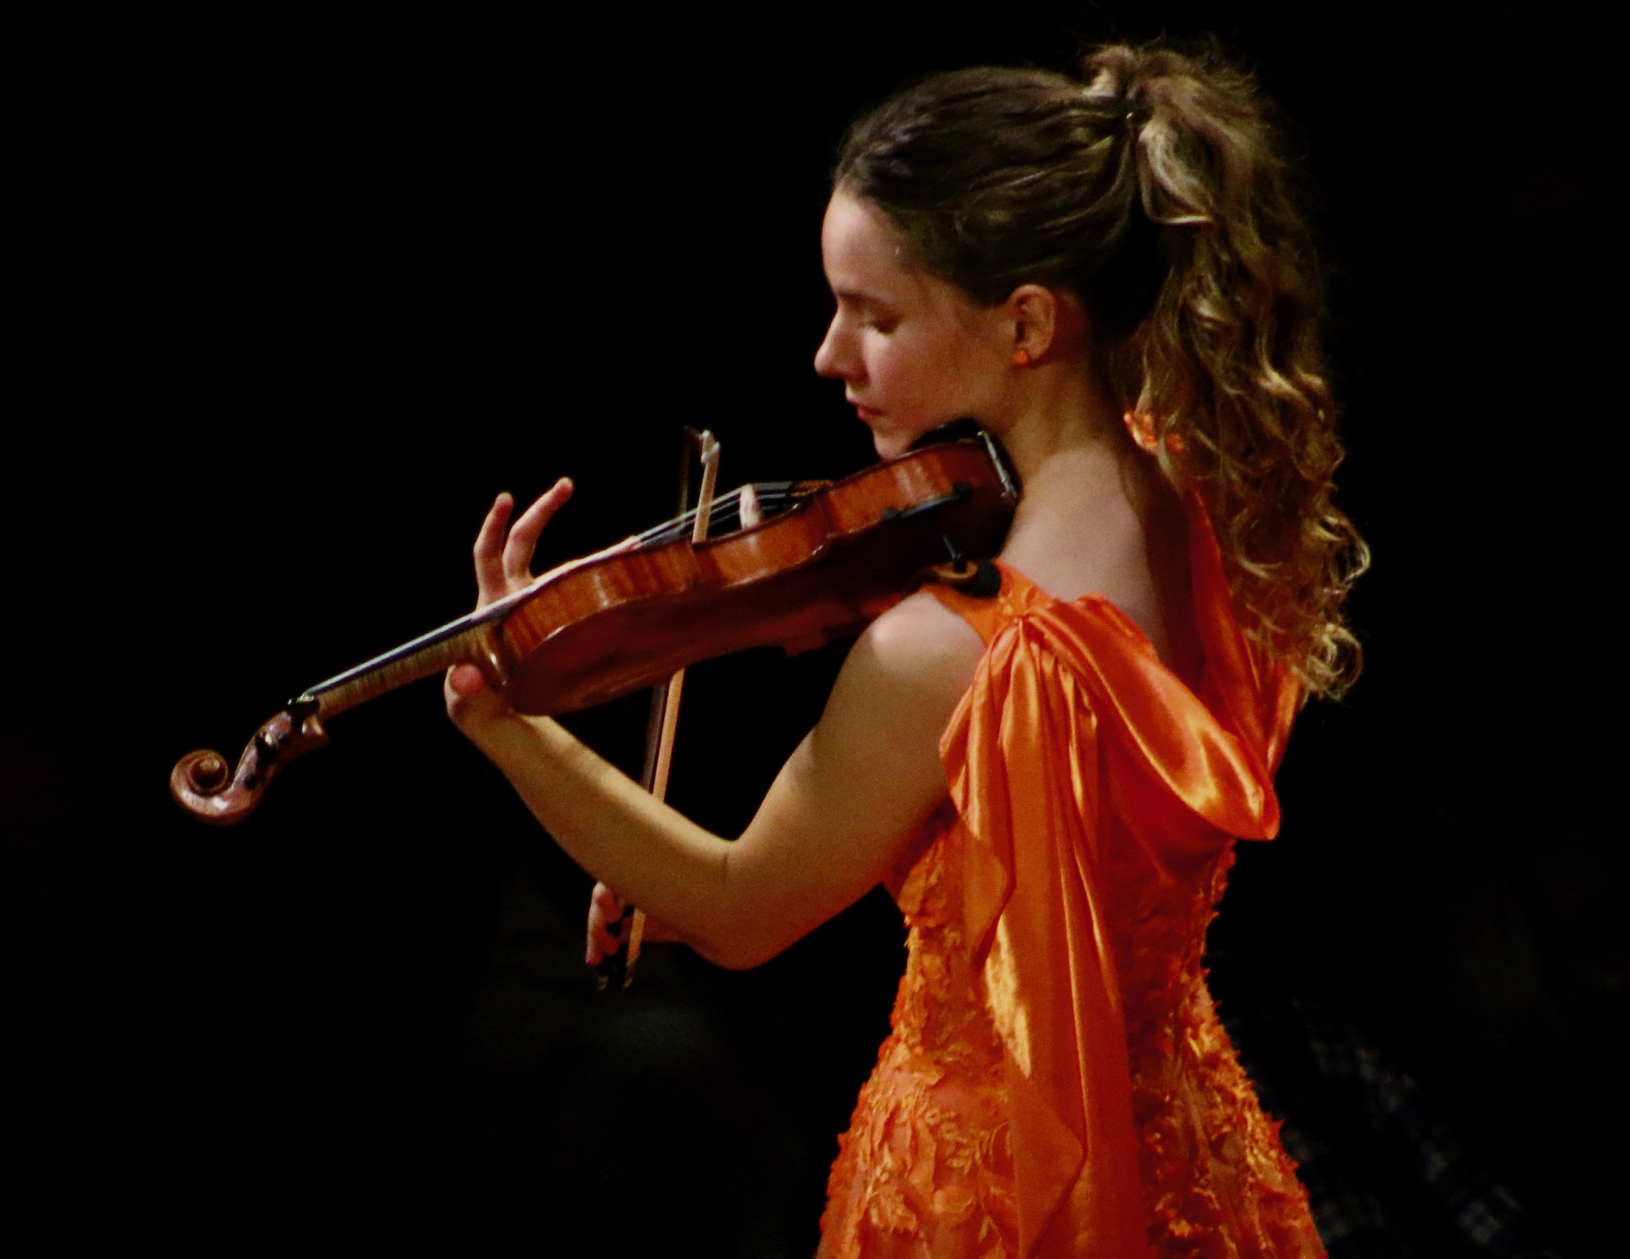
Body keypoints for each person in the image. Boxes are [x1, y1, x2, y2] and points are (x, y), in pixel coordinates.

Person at [444, 43, 1364, 1258]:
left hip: (986, 1194)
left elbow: (738, 906)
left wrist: (504, 718)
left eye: (875, 316)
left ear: (1027, 319)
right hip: (1185, 1160)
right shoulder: (1208, 507)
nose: (829, 355)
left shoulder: (953, 649)